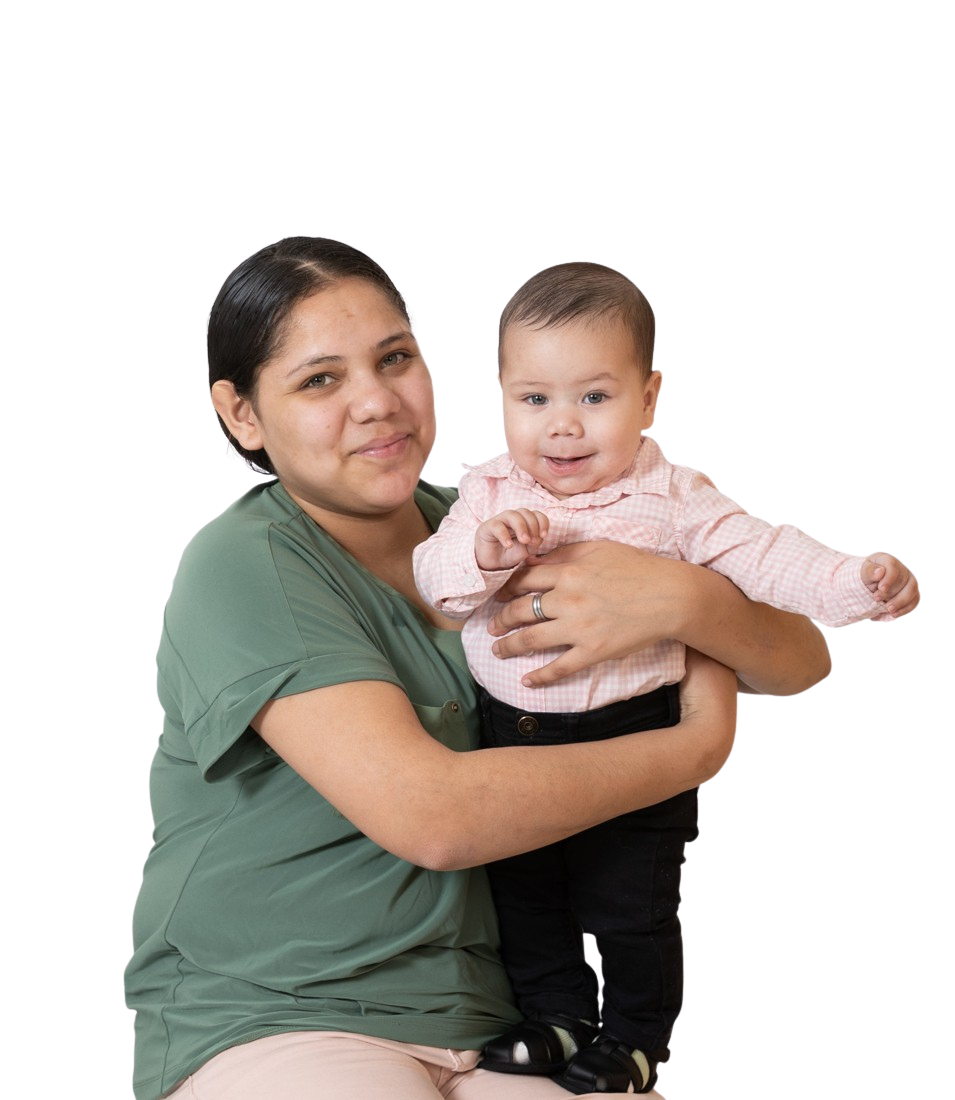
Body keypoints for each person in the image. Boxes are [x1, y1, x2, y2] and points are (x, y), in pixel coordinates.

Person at [124, 237, 834, 1100]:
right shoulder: (243, 564)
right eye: (320, 380)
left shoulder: (492, 522)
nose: (376, 401)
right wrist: (696, 747)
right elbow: (434, 817)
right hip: (280, 1012)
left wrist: (685, 602)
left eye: (395, 358)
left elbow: (801, 659)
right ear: (241, 414)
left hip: (505, 1021)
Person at [412, 261, 920, 1094]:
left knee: (632, 910)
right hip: (515, 735)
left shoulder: (675, 499)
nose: (562, 427)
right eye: (533, 399)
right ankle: (555, 1017)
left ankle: (635, 1039)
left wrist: (855, 583)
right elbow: (436, 584)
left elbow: (766, 555)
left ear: (647, 399)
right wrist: (482, 552)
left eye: (594, 396)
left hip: (636, 736)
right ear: (500, 395)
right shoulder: (488, 494)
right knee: (525, 895)